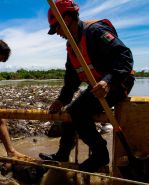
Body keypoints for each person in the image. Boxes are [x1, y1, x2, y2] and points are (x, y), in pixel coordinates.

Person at [39, 0, 135, 172]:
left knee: (78, 111)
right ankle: (62, 155)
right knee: (70, 113)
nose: (58, 34)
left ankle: (100, 155)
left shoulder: (96, 32)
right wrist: (61, 100)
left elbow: (124, 56)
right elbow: (71, 79)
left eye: (57, 28)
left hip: (119, 82)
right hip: (98, 87)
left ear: (66, 20)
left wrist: (108, 81)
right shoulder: (72, 46)